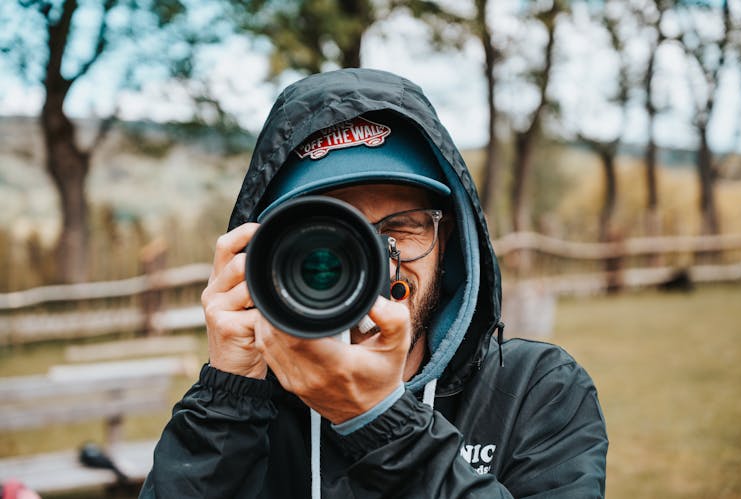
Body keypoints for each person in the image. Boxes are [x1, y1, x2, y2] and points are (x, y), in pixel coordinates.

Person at [140, 68, 608, 498]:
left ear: (448, 241)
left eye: (400, 227)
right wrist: (229, 398)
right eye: (330, 237)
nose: (374, 263)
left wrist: (383, 423)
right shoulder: (248, 411)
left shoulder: (534, 390)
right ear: (261, 255)